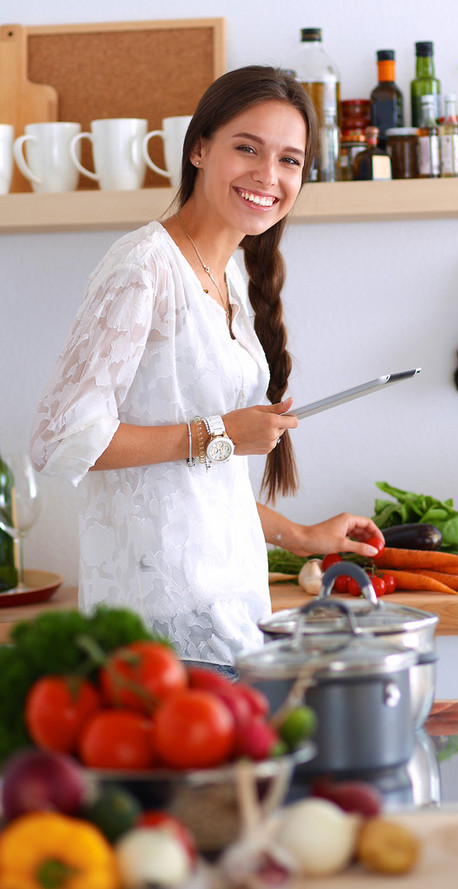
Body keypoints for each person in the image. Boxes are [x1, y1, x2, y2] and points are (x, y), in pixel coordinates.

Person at [29, 66, 383, 665]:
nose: (268, 176)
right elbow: (58, 440)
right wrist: (218, 433)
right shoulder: (143, 266)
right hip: (160, 633)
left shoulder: (233, 277)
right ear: (198, 149)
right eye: (247, 148)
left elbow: (190, 492)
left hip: (232, 618)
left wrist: (300, 537)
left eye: (290, 160)